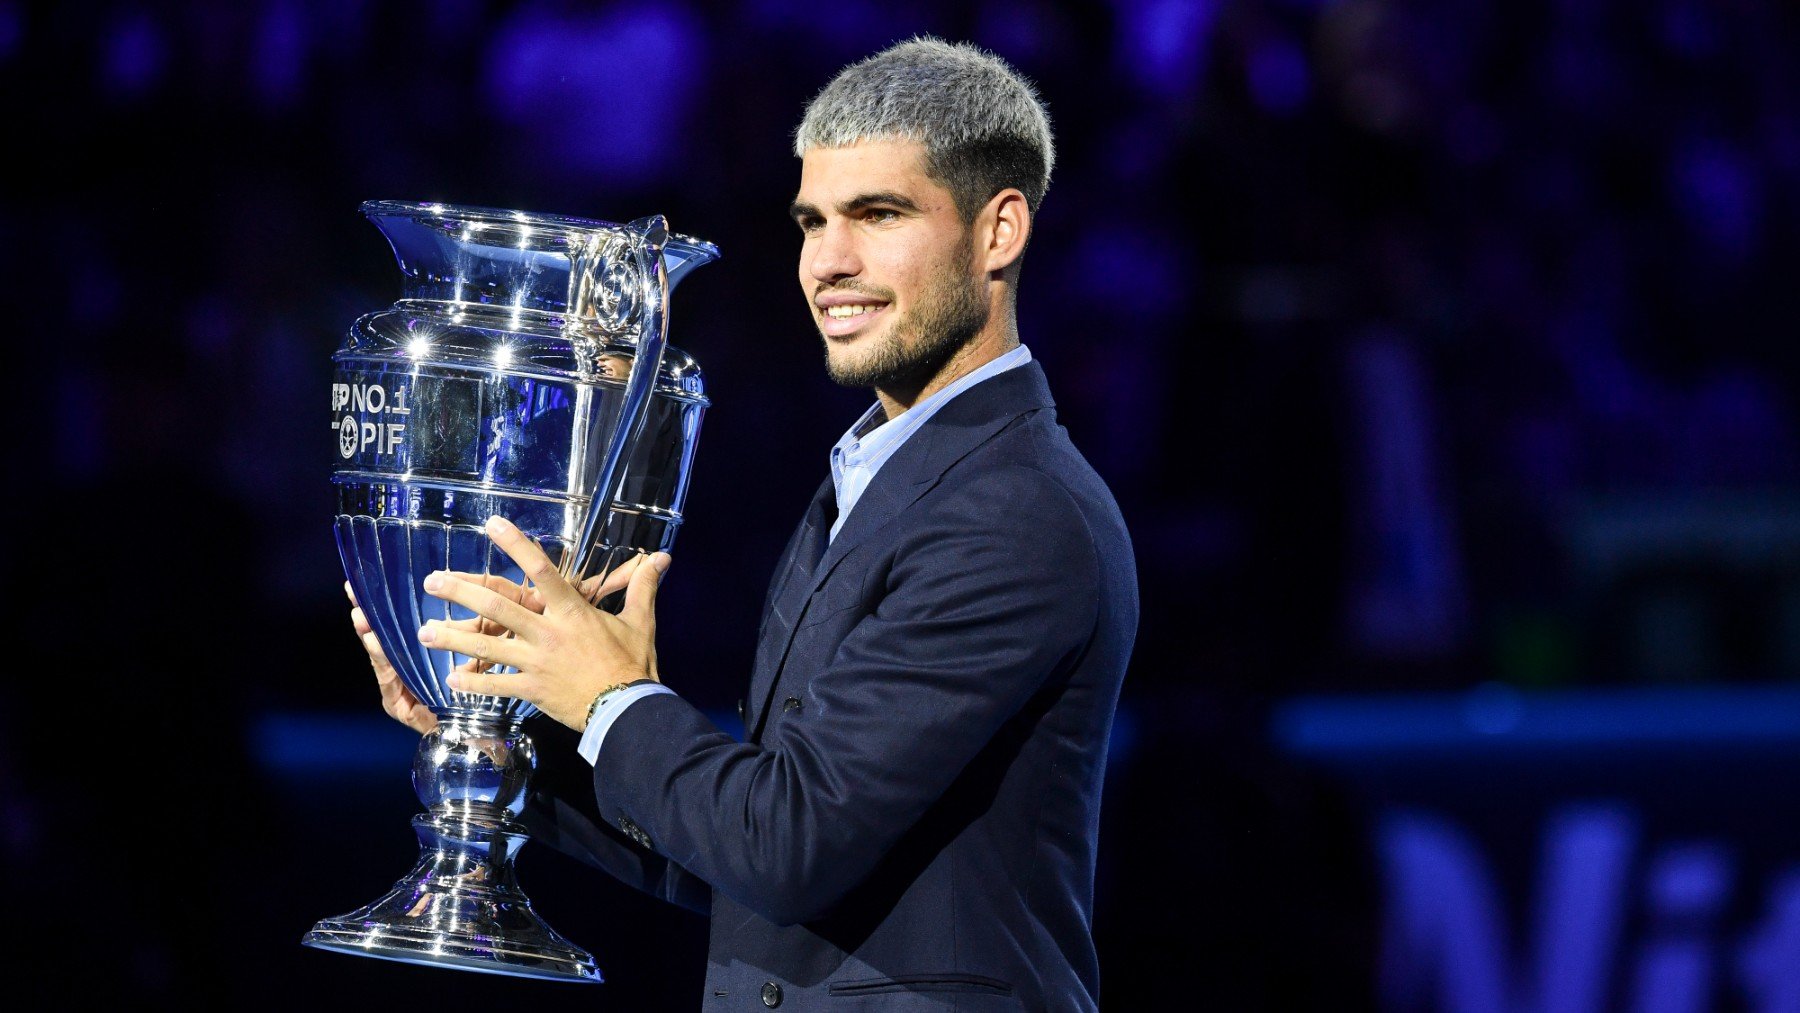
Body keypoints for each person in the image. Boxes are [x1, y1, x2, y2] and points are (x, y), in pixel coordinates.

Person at [352, 37, 1138, 1010]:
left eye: (879, 215)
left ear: (999, 231)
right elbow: (754, 867)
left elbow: (787, 845)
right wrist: (509, 738)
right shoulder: (887, 478)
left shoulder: (1013, 510)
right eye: (814, 223)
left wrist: (611, 699)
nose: (831, 262)